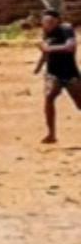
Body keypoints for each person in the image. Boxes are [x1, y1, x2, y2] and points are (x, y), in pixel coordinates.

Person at [33, 9, 81, 144]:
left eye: (50, 22)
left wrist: (48, 49)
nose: (47, 24)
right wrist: (39, 66)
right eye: (45, 22)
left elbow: (70, 47)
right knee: (49, 97)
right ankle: (51, 134)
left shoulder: (66, 29)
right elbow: (45, 53)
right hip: (53, 73)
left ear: (58, 21)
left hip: (70, 74)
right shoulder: (46, 34)